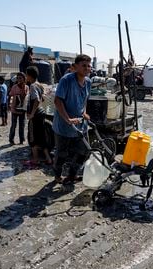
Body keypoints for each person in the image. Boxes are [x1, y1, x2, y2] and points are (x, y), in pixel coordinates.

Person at [52, 54, 92, 184]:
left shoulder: (88, 82)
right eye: (84, 65)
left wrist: (84, 112)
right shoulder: (67, 80)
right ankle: (57, 176)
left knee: (85, 151)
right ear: (75, 67)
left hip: (81, 124)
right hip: (64, 125)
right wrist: (67, 119)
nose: (87, 68)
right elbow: (57, 101)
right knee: (62, 154)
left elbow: (84, 100)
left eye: (89, 66)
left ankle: (72, 174)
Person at [24, 66, 53, 166]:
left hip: (35, 114)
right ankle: (48, 159)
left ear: (29, 75)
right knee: (41, 137)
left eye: (26, 74)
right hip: (41, 112)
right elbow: (43, 98)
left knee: (33, 137)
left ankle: (35, 160)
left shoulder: (32, 86)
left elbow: (36, 99)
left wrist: (31, 113)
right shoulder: (40, 85)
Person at [8, 72, 28, 145]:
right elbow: (10, 95)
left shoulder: (26, 87)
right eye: (18, 78)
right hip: (14, 109)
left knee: (22, 125)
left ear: (24, 79)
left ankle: (21, 139)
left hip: (22, 109)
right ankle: (11, 139)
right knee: (13, 125)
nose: (19, 79)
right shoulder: (14, 87)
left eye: (20, 78)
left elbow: (27, 98)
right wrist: (8, 105)